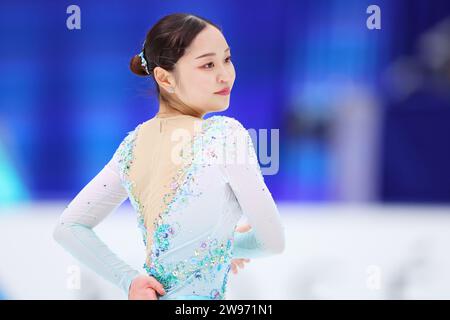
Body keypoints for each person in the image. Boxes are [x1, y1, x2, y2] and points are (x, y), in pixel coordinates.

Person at [53, 13, 285, 300]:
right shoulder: (225, 135)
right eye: (208, 64)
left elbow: (68, 228)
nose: (225, 75)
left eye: (227, 59)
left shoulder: (131, 146)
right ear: (164, 77)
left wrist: (129, 281)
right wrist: (226, 245)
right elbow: (273, 242)